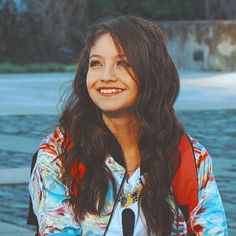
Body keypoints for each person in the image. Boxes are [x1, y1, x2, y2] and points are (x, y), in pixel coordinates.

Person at [28, 15, 228, 235]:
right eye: (96, 63)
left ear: (151, 73)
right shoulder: (57, 155)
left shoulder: (191, 157)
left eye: (122, 63)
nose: (106, 76)